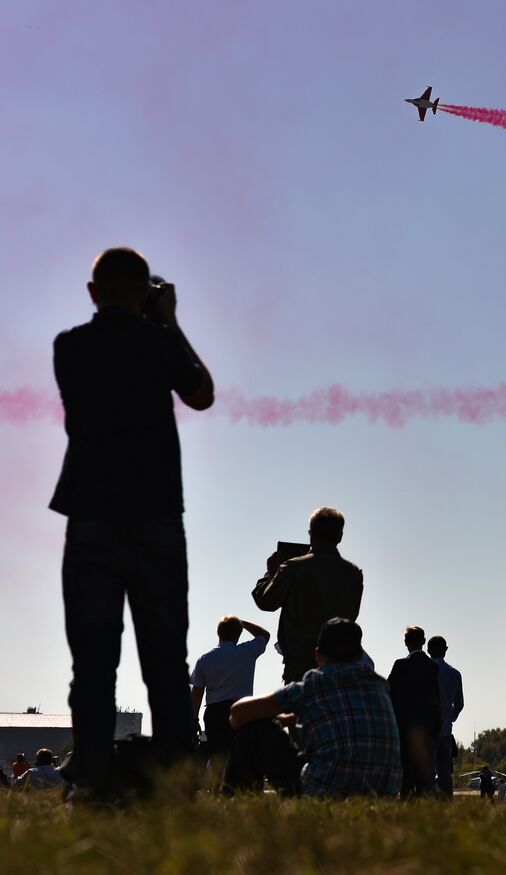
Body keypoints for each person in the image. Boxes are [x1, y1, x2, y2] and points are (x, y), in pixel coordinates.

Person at [50, 247, 214, 796]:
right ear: (147, 293)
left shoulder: (68, 347)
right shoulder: (160, 341)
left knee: (92, 660)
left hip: (90, 515)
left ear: (93, 292)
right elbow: (201, 395)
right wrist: (168, 321)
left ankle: (93, 777)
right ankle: (173, 783)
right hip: (157, 517)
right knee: (166, 658)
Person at [228, 618, 401, 798]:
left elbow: (238, 713)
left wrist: (268, 718)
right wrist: (290, 719)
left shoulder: (313, 685)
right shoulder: (379, 686)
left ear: (317, 655)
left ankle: (235, 800)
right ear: (359, 656)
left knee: (253, 731)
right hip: (383, 791)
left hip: (326, 788)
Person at [252, 507, 364, 684]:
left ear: (311, 534)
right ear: (340, 536)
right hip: (338, 665)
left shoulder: (293, 567)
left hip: (299, 666)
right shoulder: (354, 573)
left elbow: (267, 601)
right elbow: (352, 615)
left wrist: (270, 573)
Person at [190, 615, 271, 777]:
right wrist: (243, 622)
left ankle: (220, 792)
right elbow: (265, 635)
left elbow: (197, 693)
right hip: (242, 711)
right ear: (238, 634)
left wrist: (194, 719)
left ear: (218, 633)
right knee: (243, 755)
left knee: (219, 759)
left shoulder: (204, 659)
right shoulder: (246, 652)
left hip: (214, 713)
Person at [388, 626, 441, 797]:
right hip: (426, 725)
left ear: (406, 642)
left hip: (404, 724)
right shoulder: (432, 667)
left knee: (406, 768)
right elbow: (435, 698)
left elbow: (390, 692)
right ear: (424, 641)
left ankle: (406, 798)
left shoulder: (401, 665)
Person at [427, 635, 464, 796]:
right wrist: (450, 717)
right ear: (445, 650)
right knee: (444, 772)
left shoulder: (426, 670)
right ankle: (446, 803)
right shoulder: (454, 673)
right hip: (446, 728)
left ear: (428, 650)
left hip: (428, 727)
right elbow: (460, 703)